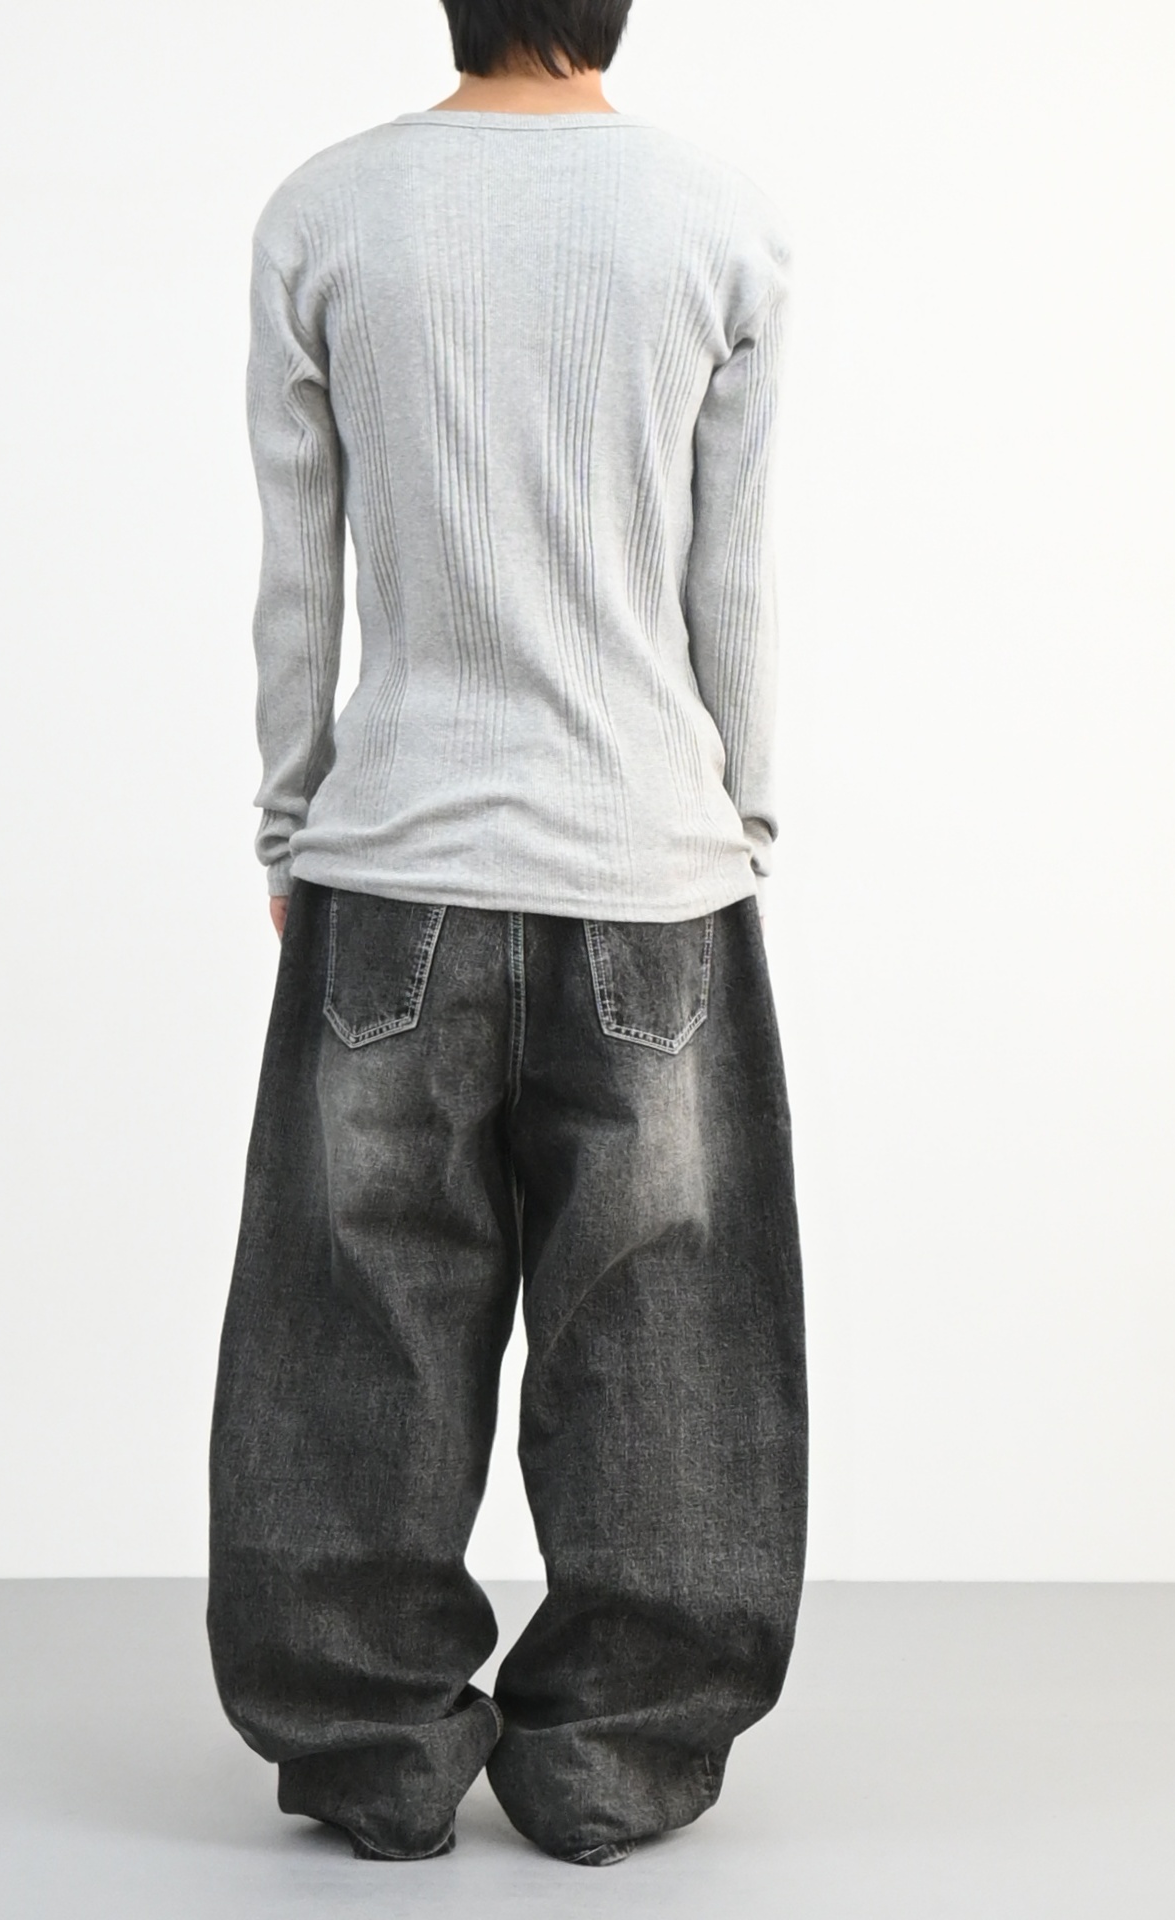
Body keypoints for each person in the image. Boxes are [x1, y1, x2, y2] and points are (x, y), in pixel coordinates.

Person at [207, 0, 806, 1869]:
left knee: (358, 1323)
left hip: (395, 855)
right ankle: (617, 1757)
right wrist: (741, 818)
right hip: (651, 863)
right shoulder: (717, 222)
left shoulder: (327, 213)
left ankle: (372, 1753)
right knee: (663, 1330)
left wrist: (294, 819)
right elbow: (731, 569)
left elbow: (299, 565)